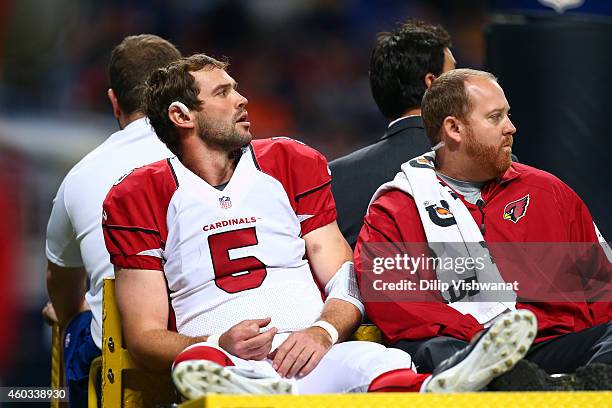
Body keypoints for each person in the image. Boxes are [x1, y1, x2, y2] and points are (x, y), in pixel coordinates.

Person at [101, 54, 536, 398]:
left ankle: (438, 386)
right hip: (225, 360)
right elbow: (145, 336)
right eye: (223, 92)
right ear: (182, 116)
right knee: (196, 362)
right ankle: (250, 384)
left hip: (312, 352)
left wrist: (322, 331)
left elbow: (345, 275)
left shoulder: (289, 162)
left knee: (376, 360)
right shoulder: (137, 196)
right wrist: (220, 341)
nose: (242, 99)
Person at [355, 68, 612, 387]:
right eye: (495, 117)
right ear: (454, 128)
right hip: (468, 348)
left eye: (508, 115)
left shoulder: (549, 191)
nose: (511, 127)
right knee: (436, 351)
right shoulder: (395, 209)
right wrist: (488, 341)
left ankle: (574, 387)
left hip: (554, 345)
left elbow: (603, 284)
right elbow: (400, 306)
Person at [44, 34, 181, 406]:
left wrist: (76, 314)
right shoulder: (217, 153)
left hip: (125, 353)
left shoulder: (80, 176)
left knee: (74, 330)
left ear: (113, 101)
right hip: (223, 334)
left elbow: (59, 280)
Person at [330, 20, 455, 248]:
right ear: (433, 83)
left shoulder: (333, 178)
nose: (464, 86)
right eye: (455, 75)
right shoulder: (482, 161)